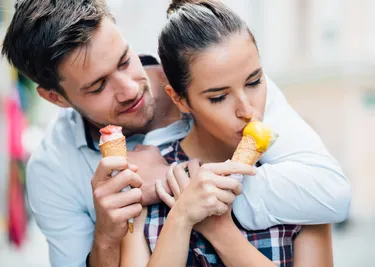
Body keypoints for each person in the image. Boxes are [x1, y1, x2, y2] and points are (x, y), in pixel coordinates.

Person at [1, 1, 349, 266]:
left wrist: (189, 187)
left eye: (124, 61)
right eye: (98, 86)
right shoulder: (53, 168)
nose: (129, 90)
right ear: (55, 97)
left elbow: (330, 194)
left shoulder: (224, 79)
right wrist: (108, 233)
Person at [120, 1, 333, 266]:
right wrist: (181, 217)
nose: (247, 109)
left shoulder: (298, 176)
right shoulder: (146, 179)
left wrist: (220, 231)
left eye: (254, 82)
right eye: (219, 97)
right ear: (180, 100)